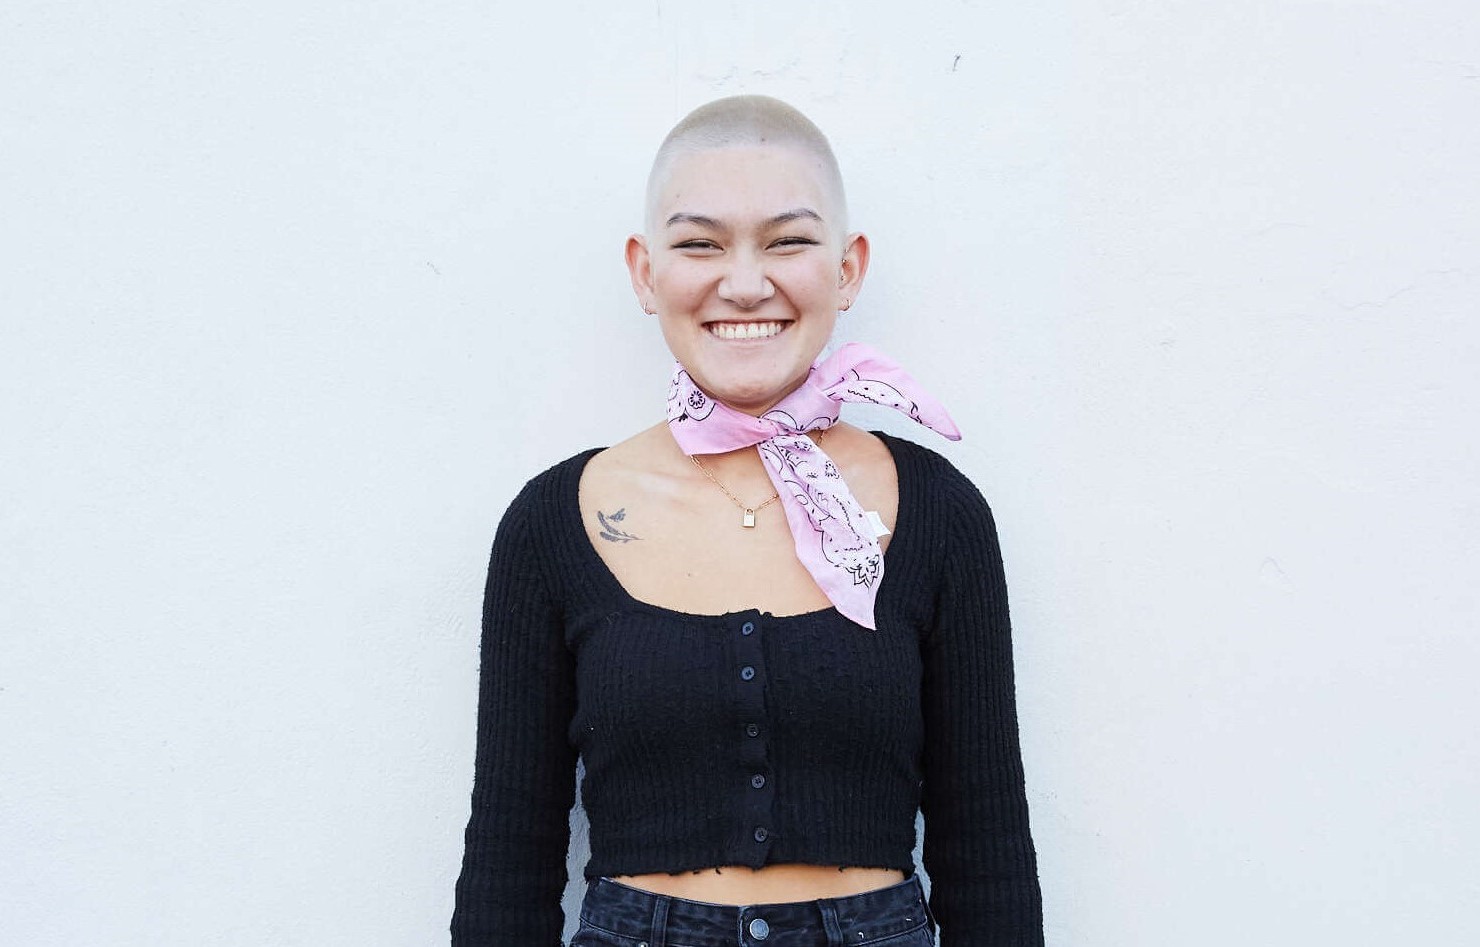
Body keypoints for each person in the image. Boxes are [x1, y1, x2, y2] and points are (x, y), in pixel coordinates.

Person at [451, 95, 1043, 946]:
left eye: (788, 240)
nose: (743, 282)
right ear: (644, 271)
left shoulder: (940, 512)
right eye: (698, 243)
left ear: (847, 267)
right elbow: (509, 860)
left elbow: (986, 852)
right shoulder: (554, 521)